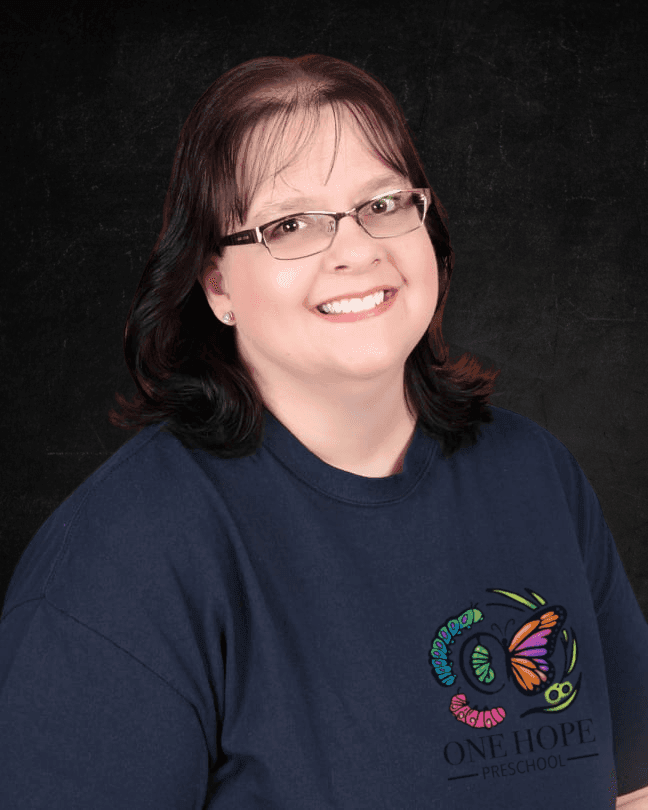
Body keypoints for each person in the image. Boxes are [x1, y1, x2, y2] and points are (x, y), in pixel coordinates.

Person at [1, 54, 646, 809]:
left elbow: (634, 787)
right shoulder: (119, 563)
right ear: (216, 285)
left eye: (383, 204)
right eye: (291, 224)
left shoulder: (535, 475)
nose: (356, 250)